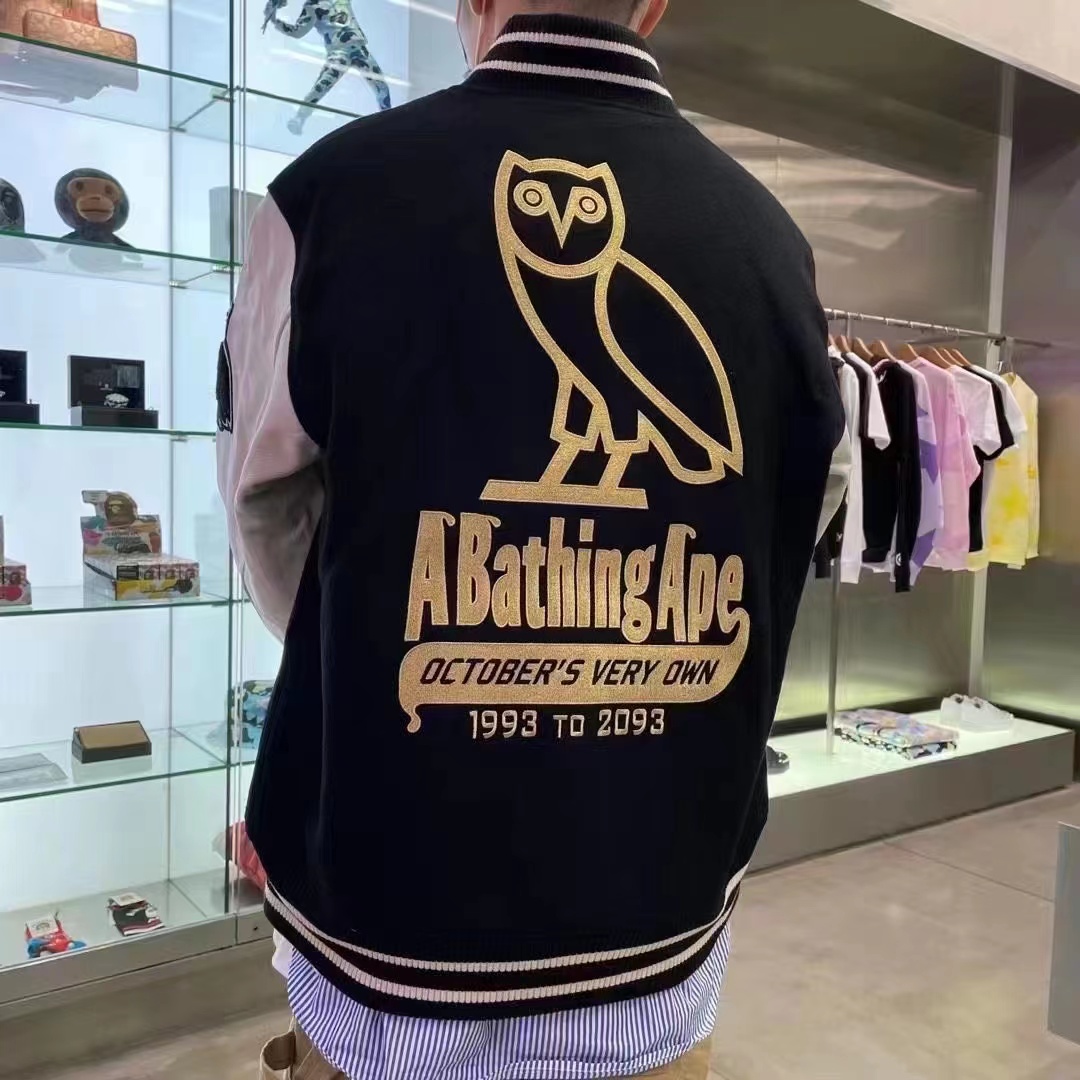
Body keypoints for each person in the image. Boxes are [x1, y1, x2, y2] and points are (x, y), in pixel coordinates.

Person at [216, 1, 850, 1077]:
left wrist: (370, 648)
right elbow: (812, 496)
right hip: (653, 902)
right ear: (656, 3)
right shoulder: (767, 238)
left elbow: (264, 499)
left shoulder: (327, 194)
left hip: (390, 909)